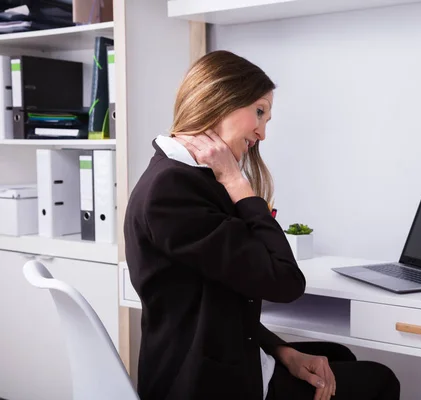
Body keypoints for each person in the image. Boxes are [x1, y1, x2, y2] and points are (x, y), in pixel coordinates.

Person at [124, 50, 401, 400]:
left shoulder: (181, 177)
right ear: (220, 99)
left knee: (338, 356)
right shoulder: (173, 191)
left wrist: (283, 351)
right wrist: (239, 185)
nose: (263, 132)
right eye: (259, 112)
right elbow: (285, 282)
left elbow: (220, 301)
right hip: (201, 382)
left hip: (216, 351)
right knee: (380, 380)